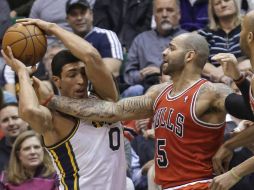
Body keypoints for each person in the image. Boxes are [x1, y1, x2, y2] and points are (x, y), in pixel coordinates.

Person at [37, 33, 235, 189]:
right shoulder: (158, 93)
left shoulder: (212, 92)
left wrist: (232, 149)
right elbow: (113, 111)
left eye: (171, 48)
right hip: (167, 185)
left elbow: (249, 111)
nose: (164, 52)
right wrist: (50, 100)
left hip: (198, 184)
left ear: (189, 55)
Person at [1, 18, 126, 190]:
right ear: (57, 81)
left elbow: (91, 55)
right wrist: (22, 72)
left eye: (83, 72)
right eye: (72, 74)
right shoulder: (54, 117)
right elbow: (28, 110)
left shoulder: (106, 97)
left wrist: (52, 28)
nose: (81, 80)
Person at [122, 0, 186, 97]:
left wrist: (161, 72)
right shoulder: (141, 40)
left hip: (178, 88)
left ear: (179, 14)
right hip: (145, 88)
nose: (164, 15)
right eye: (159, 10)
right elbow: (128, 75)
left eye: (169, 10)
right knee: (134, 91)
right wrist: (142, 74)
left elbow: (194, 72)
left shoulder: (187, 38)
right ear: (154, 15)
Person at [66, 0, 123, 78]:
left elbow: (112, 71)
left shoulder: (106, 35)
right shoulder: (67, 42)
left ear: (91, 15)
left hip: (105, 89)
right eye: (74, 14)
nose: (79, 18)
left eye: (83, 13)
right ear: (67, 19)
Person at [198, 0, 250, 84]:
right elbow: (199, 61)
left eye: (226, 0)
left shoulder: (248, 26)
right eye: (217, 3)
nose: (223, 5)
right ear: (212, 9)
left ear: (235, 2)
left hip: (247, 79)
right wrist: (219, 74)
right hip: (216, 84)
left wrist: (234, 70)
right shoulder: (205, 33)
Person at [0, 102, 29, 172]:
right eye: (5, 120)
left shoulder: (44, 145)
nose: (11, 123)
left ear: (27, 120)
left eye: (15, 118)